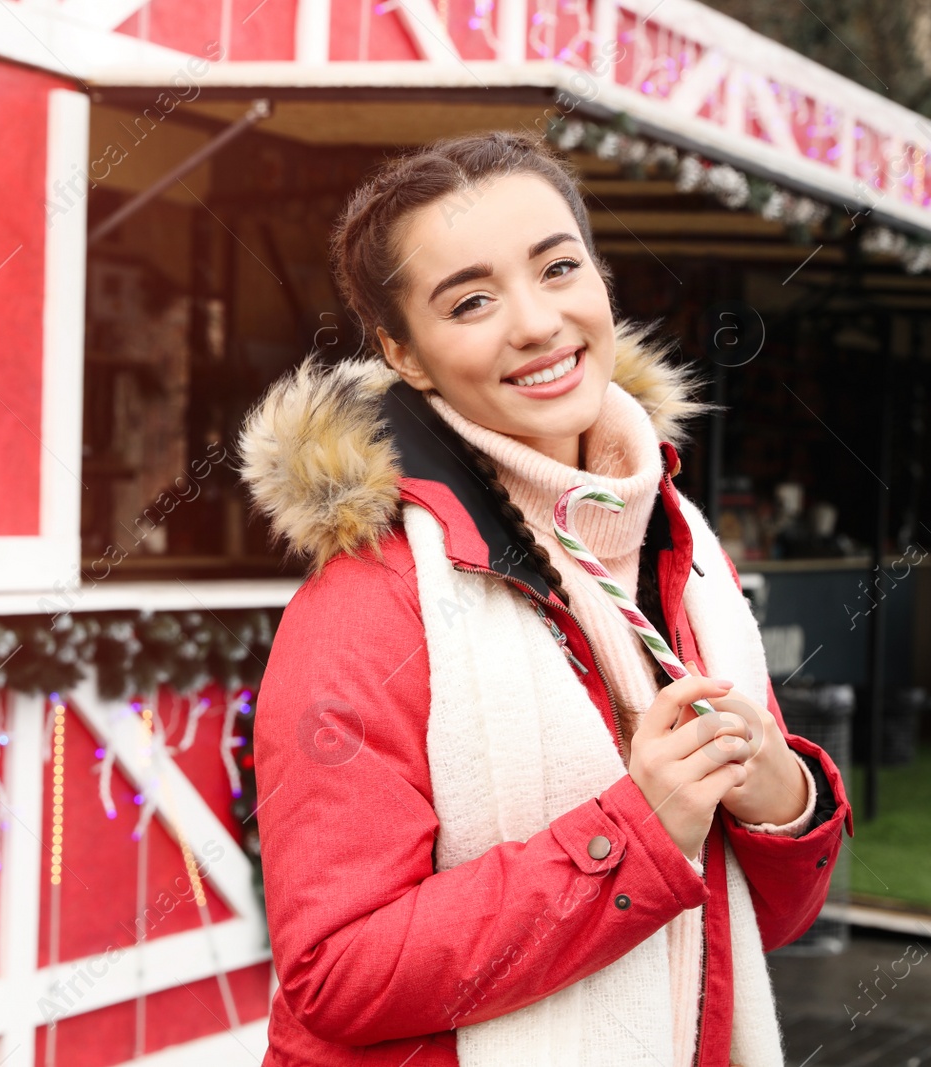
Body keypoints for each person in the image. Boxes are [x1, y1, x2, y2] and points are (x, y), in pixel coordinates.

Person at [236, 131, 853, 1067]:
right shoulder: (370, 599)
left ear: (601, 280)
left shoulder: (678, 543)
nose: (534, 322)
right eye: (472, 299)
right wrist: (635, 834)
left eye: (558, 267)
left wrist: (784, 798)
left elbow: (754, 920)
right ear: (404, 351)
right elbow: (334, 972)